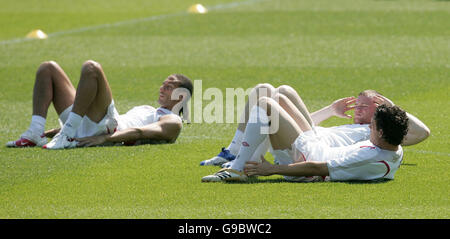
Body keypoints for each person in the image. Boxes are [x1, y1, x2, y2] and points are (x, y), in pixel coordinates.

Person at [200, 84, 429, 167]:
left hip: (308, 149)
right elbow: (287, 121)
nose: (357, 109)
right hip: (308, 138)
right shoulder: (349, 128)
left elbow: (422, 133)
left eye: (364, 106)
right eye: (356, 104)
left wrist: (392, 107)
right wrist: (331, 110)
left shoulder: (379, 134)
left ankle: (240, 163)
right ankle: (231, 152)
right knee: (274, 90)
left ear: (379, 111)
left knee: (268, 102)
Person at [201, 93, 409, 182]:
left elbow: (318, 168)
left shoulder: (370, 157)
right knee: (280, 97)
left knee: (266, 103)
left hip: (304, 159)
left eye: (372, 126)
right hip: (314, 146)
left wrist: (271, 169)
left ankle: (238, 168)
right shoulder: (394, 148)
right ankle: (247, 162)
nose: (368, 128)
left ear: (381, 132)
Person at [6, 60, 193, 149]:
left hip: (107, 130)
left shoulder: (174, 120)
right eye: (163, 84)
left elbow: (139, 132)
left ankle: (68, 133)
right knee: (48, 68)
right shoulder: (150, 110)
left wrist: (105, 139)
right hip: (86, 127)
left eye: (169, 86)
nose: (162, 88)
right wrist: (50, 132)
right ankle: (35, 132)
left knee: (92, 68)